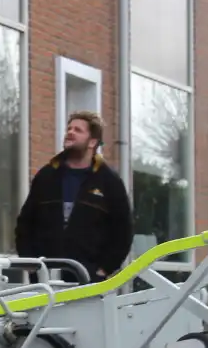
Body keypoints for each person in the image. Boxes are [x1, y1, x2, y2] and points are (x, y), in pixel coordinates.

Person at [15, 110, 132, 283]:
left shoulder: (109, 181)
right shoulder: (47, 175)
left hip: (88, 280)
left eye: (78, 130)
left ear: (92, 142)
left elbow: (123, 231)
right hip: (44, 278)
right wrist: (30, 262)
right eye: (69, 129)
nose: (70, 132)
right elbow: (25, 223)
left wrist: (103, 269)